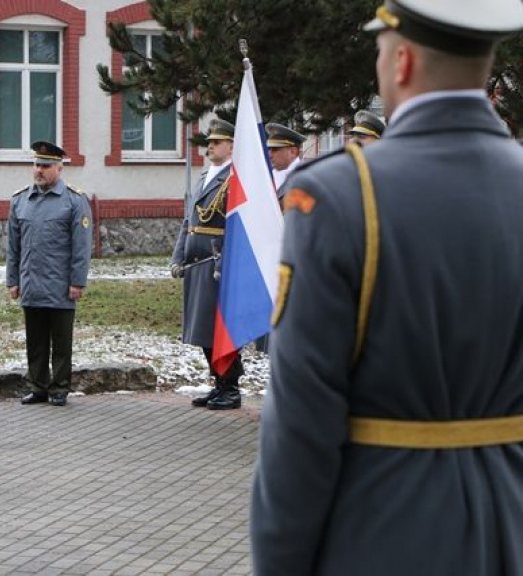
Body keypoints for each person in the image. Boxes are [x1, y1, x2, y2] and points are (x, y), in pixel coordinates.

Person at [251, 1, 523, 574]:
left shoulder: (339, 195)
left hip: (384, 529)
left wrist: (281, 560)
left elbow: (302, 422)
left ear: (401, 62)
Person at [6, 141, 93, 407]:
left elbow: (81, 246)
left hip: (60, 284)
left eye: (45, 166)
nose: (39, 170)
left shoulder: (74, 200)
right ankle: (39, 386)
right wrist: (12, 280)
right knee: (36, 341)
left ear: (59, 168)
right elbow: (13, 246)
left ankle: (60, 387)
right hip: (31, 282)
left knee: (61, 341)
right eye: (36, 165)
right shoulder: (21, 200)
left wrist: (77, 281)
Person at [170, 118, 244, 410]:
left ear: (232, 146)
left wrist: (229, 262)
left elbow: (239, 226)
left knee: (220, 328)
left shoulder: (235, 179)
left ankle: (231, 387)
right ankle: (218, 383)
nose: (209, 147)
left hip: (217, 264)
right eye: (209, 142)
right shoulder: (205, 177)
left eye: (216, 142)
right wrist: (178, 257)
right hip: (196, 264)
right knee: (202, 328)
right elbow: (188, 222)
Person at [265, 122, 306, 199]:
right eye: (269, 149)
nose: (269, 155)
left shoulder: (305, 178)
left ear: (292, 152)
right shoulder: (267, 176)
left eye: (275, 149)